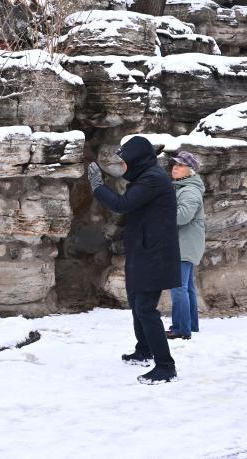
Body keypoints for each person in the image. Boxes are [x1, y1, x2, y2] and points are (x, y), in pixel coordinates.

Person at [87, 136, 181, 384]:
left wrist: (97, 185)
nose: (122, 167)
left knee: (146, 308)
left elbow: (122, 204)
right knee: (137, 302)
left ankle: (165, 366)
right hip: (143, 252)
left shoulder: (152, 179)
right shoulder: (145, 177)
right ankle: (144, 350)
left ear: (137, 160)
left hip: (155, 255)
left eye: (125, 162)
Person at [167, 151, 205, 340]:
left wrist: (160, 214)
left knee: (178, 287)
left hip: (184, 246)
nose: (175, 167)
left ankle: (181, 328)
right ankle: (190, 325)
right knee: (187, 287)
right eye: (174, 164)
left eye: (180, 165)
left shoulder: (189, 190)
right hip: (187, 244)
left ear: (190, 171)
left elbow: (182, 216)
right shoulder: (184, 188)